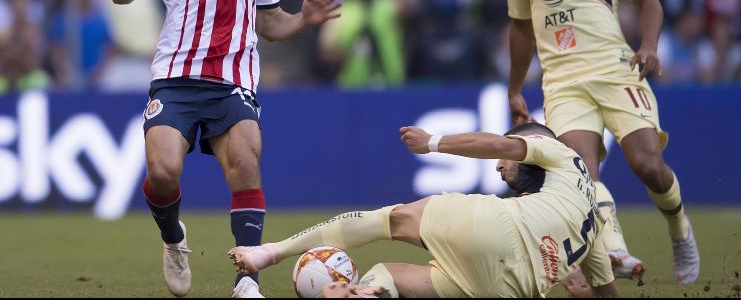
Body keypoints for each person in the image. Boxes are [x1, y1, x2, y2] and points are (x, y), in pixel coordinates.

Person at [110, 0, 341, 298]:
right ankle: (174, 238)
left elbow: (270, 23)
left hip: (233, 81)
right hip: (175, 77)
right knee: (162, 171)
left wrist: (303, 20)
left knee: (245, 162)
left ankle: (247, 280)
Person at [506, 0, 699, 284]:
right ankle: (616, 251)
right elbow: (520, 28)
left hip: (615, 69)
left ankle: (680, 230)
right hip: (562, 82)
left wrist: (648, 45)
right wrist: (515, 86)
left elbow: (648, 2)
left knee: (648, 164)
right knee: (580, 172)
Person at [228, 121, 618, 298]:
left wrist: (433, 143)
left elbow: (500, 147)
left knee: (391, 220)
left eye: (509, 160)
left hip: (499, 227)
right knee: (390, 275)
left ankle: (270, 251)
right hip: (507, 289)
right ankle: (366, 292)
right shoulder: (595, 219)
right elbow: (605, 290)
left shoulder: (557, 150)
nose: (499, 168)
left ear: (533, 141)